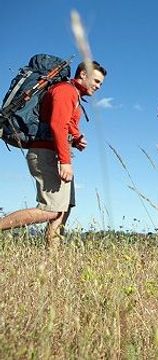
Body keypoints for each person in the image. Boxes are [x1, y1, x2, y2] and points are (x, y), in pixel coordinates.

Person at [0, 60, 107, 248]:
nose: (98, 87)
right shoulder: (65, 91)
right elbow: (58, 125)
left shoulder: (72, 93)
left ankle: (54, 260)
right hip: (47, 153)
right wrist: (65, 161)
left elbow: (64, 123)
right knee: (51, 210)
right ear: (83, 74)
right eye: (96, 81)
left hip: (53, 152)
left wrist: (76, 138)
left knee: (63, 209)